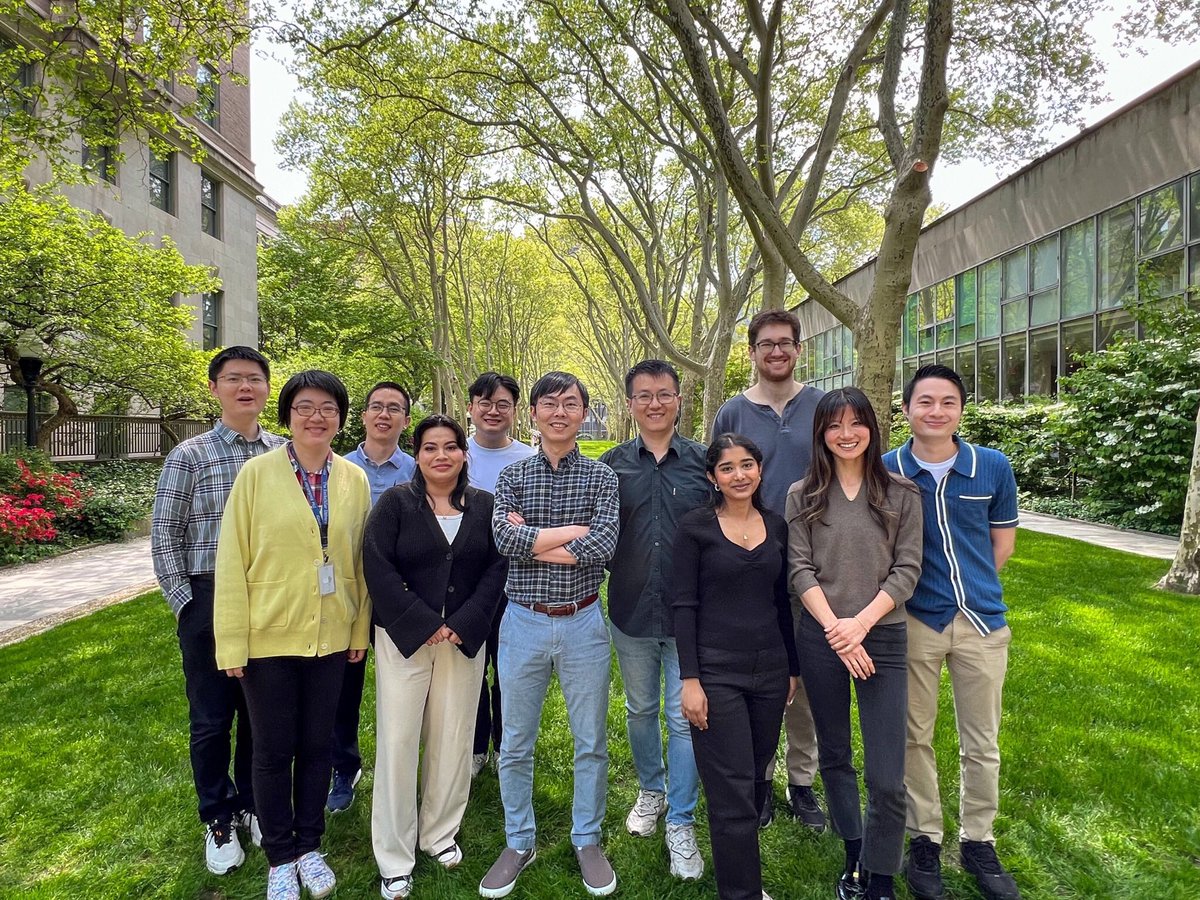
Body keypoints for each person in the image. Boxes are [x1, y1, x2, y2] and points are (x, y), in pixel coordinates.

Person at [214, 370, 372, 900]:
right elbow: (231, 561)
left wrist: (358, 628)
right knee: (272, 749)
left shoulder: (354, 479)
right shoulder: (256, 475)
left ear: (341, 419)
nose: (316, 417)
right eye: (305, 407)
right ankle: (280, 856)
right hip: (267, 639)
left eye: (328, 408)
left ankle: (310, 845)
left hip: (331, 638)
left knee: (318, 745)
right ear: (287, 415)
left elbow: (359, 564)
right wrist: (231, 641)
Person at [479, 371, 620, 899]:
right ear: (534, 413)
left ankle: (588, 838)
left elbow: (604, 545)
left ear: (583, 412)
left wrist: (534, 538)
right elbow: (503, 539)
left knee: (591, 742)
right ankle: (519, 841)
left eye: (571, 404)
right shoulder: (513, 475)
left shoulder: (602, 477)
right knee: (516, 742)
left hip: (584, 621)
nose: (560, 412)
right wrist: (572, 534)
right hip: (523, 621)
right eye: (550, 404)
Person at [883, 365, 1021, 900]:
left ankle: (978, 840)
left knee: (981, 740)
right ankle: (925, 837)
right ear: (907, 409)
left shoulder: (992, 467)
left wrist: (970, 592)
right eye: (925, 402)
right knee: (913, 735)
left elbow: (1001, 545)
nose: (936, 411)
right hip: (916, 620)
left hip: (981, 623)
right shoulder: (888, 470)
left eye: (947, 402)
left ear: (961, 409)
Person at [151, 345, 285, 874]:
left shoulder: (283, 453)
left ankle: (252, 801)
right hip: (207, 596)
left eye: (254, 378)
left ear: (267, 388)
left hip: (269, 598)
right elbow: (165, 536)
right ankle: (217, 815)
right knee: (211, 718)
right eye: (233, 379)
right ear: (215, 388)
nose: (245, 387)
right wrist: (186, 606)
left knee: (260, 712)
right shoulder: (190, 455)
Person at [786, 388, 923, 900]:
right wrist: (837, 632)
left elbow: (908, 569)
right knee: (835, 754)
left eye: (856, 423)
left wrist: (859, 626)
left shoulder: (902, 493)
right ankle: (854, 852)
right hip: (821, 636)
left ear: (872, 426)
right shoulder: (802, 494)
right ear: (821, 433)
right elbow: (799, 569)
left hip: (881, 636)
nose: (846, 434)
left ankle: (881, 874)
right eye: (834, 425)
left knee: (887, 774)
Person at [364, 414, 508, 899]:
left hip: (463, 638)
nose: (441, 455)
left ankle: (439, 832)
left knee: (453, 735)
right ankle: (394, 853)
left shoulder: (484, 506)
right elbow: (377, 567)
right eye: (430, 447)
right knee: (399, 740)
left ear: (464, 454)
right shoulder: (395, 504)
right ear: (417, 454)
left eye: (450, 447)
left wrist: (462, 623)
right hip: (405, 639)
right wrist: (424, 623)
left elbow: (496, 569)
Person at [671, 433, 799, 900]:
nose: (739, 475)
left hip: (770, 671)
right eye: (727, 468)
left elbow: (782, 602)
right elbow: (683, 605)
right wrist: (690, 679)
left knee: (755, 775)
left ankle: (742, 868)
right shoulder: (695, 528)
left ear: (760, 470)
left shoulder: (777, 526)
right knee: (731, 790)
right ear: (713, 477)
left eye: (747, 464)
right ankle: (742, 892)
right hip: (716, 672)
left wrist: (792, 668)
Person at [711, 308, 826, 829]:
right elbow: (715, 481)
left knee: (805, 679)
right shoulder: (732, 412)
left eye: (785, 343)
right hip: (747, 565)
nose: (776, 352)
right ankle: (756, 778)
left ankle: (801, 781)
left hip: (811, 563)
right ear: (752, 352)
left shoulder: (821, 407)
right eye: (766, 344)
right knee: (753, 676)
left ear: (799, 349)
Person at [599, 360, 710, 881]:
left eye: (664, 394)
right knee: (640, 709)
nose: (655, 404)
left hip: (691, 614)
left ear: (678, 399)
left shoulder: (705, 463)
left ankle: (682, 821)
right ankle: (651, 790)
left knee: (684, 716)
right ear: (630, 405)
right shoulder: (611, 466)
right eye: (644, 395)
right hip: (631, 610)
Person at [327, 381, 415, 815]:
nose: (384, 414)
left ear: (406, 420)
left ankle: (405, 768)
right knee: (343, 687)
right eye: (376, 406)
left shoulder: (418, 470)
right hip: (348, 592)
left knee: (407, 687)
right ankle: (344, 767)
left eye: (394, 408)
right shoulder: (336, 469)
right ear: (362, 416)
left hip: (402, 594)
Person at [465, 372, 535, 778]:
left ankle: (507, 747)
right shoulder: (456, 453)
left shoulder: (529, 459)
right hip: (466, 582)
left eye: (503, 404)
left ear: (515, 411)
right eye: (485, 403)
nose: (493, 411)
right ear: (471, 407)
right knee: (472, 667)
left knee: (509, 670)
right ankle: (475, 746)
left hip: (517, 581)